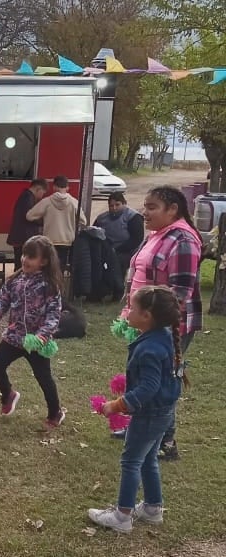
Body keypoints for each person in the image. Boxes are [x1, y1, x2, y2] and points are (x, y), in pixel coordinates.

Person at [88, 286, 184, 533]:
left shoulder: (150, 348)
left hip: (150, 414)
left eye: (132, 307)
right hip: (163, 411)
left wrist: (117, 405)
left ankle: (122, 516)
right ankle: (152, 508)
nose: (127, 312)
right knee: (148, 458)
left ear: (147, 316)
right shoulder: (163, 336)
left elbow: (150, 387)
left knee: (131, 461)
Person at [120, 186, 202, 461]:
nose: (145, 212)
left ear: (172, 209)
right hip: (145, 321)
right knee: (142, 375)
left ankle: (166, 441)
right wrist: (129, 311)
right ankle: (140, 426)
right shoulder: (158, 235)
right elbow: (140, 276)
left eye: (152, 207)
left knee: (162, 381)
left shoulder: (183, 240)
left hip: (166, 326)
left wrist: (154, 324)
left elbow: (179, 292)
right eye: (145, 206)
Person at [0, 235, 66, 429]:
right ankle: (8, 395)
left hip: (37, 341)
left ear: (43, 261)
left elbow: (54, 314)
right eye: (24, 255)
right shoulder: (14, 281)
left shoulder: (49, 286)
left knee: (43, 377)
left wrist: (43, 335)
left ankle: (55, 412)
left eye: (31, 256)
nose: (25, 259)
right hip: (14, 337)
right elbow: (1, 302)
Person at [26, 175, 86, 270]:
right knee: (60, 269)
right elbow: (84, 221)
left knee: (49, 269)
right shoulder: (74, 202)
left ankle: (49, 284)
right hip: (66, 241)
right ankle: (59, 284)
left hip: (49, 241)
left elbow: (29, 216)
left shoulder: (47, 201)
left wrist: (43, 220)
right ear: (67, 187)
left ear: (54, 187)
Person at [93, 192, 144, 278]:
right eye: (111, 206)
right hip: (106, 249)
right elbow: (94, 233)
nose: (114, 208)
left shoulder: (133, 217)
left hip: (127, 252)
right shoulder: (102, 218)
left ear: (124, 203)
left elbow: (136, 239)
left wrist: (116, 250)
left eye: (117, 205)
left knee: (117, 265)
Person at [7, 178, 48, 270]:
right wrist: (43, 222)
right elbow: (29, 217)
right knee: (21, 265)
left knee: (20, 263)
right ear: (38, 188)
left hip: (20, 236)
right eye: (42, 192)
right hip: (23, 237)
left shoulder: (26, 196)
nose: (41, 196)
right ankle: (18, 283)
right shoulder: (28, 198)